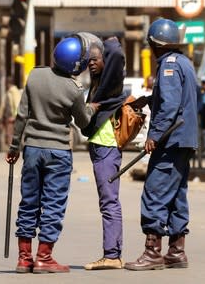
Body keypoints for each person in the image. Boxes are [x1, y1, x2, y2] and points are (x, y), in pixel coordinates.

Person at [5, 34, 101, 274]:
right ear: (76, 65)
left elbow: (21, 115)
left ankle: (24, 258)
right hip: (58, 152)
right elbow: (83, 121)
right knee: (53, 205)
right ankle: (44, 258)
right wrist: (91, 107)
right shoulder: (74, 89)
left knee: (29, 203)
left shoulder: (35, 75)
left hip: (33, 149)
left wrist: (14, 147)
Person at [124, 18, 198, 271]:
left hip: (170, 139)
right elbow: (174, 98)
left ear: (156, 44)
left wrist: (153, 135)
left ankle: (152, 252)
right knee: (176, 194)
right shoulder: (184, 63)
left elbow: (169, 105)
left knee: (155, 192)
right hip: (184, 139)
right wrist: (148, 99)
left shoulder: (167, 65)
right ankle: (177, 251)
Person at [81, 35, 127, 270]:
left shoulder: (112, 82)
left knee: (109, 202)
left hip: (107, 147)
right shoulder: (96, 85)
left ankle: (112, 255)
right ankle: (113, 253)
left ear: (106, 61)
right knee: (107, 201)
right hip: (100, 147)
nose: (91, 63)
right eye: (89, 61)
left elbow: (117, 55)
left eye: (96, 59)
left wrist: (110, 42)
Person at [0, 76, 21, 151]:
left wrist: (15, 116)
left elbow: (17, 104)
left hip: (11, 118)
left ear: (8, 83)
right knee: (8, 135)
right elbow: (3, 106)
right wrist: (0, 118)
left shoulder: (14, 91)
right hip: (7, 118)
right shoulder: (9, 92)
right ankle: (11, 150)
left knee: (10, 134)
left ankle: (13, 151)